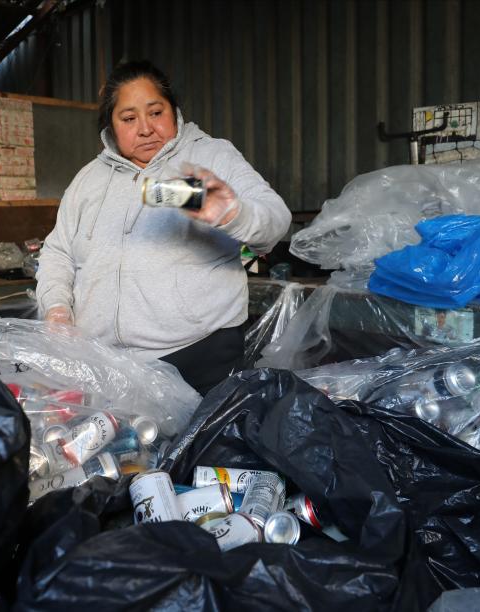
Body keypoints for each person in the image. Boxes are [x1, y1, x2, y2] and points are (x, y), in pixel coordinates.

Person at [36, 60, 292, 395]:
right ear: (111, 126)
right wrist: (56, 309)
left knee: (197, 446)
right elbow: (58, 252)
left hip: (197, 355)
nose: (145, 128)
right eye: (128, 119)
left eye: (156, 112)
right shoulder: (89, 178)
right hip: (105, 363)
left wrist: (232, 213)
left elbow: (277, 220)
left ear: (174, 110)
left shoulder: (213, 156)